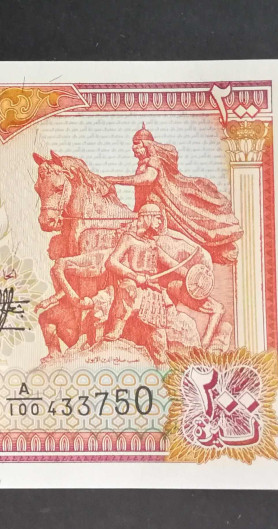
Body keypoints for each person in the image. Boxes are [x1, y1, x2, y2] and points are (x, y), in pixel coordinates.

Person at [104, 124, 243, 264]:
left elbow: (147, 179)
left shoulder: (154, 160)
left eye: (136, 144)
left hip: (156, 210)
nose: (134, 148)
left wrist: (115, 180)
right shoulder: (143, 163)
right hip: (146, 209)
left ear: (146, 144)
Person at [104, 205, 180, 364]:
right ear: (147, 217)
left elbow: (171, 263)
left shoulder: (153, 243)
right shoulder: (129, 238)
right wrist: (134, 276)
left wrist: (190, 271)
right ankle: (117, 326)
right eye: (157, 218)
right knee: (128, 289)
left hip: (152, 291)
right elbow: (111, 262)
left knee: (159, 344)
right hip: (133, 284)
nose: (159, 222)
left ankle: (162, 369)